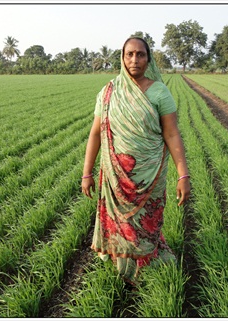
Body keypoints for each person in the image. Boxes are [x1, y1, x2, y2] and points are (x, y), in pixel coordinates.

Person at [81, 37, 190, 285]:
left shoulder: (159, 92)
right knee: (121, 225)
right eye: (129, 54)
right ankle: (124, 268)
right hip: (116, 175)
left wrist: (183, 175)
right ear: (122, 57)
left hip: (150, 174)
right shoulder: (108, 91)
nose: (134, 60)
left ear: (148, 59)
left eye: (140, 54)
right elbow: (96, 133)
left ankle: (147, 266)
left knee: (146, 223)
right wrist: (86, 173)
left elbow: (172, 134)